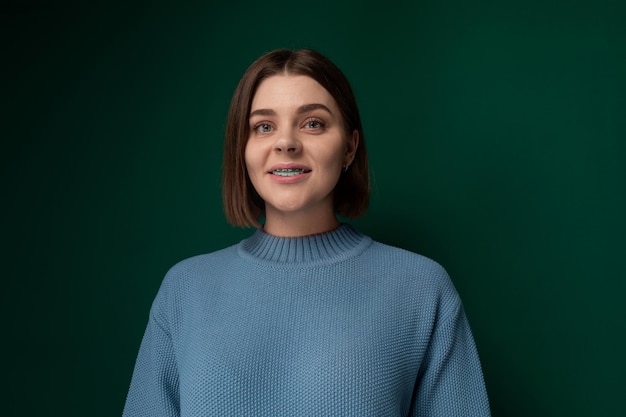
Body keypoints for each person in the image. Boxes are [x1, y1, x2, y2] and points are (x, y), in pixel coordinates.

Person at [123, 48, 491, 416]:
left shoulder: (421, 288)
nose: (286, 143)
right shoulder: (185, 291)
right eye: (263, 127)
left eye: (312, 123)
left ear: (349, 147)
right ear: (243, 149)